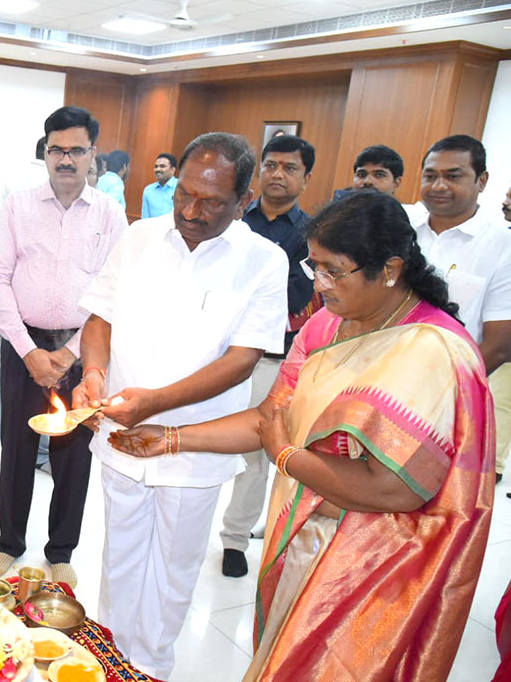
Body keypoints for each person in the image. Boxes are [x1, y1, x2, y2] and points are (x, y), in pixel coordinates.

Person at [109, 191, 494, 682]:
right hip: (308, 536)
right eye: (316, 267)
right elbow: (269, 418)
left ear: (390, 269)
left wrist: (288, 458)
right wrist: (169, 439)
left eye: (335, 271)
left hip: (379, 563)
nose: (321, 284)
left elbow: (396, 488)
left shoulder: (433, 350)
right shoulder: (326, 326)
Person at [74, 132, 288, 680]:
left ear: (244, 200)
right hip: (120, 429)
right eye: (184, 195)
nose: (192, 211)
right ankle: (107, 661)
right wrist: (94, 372)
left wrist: (155, 404)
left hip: (195, 443)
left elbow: (242, 360)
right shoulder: (140, 236)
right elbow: (100, 317)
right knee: (118, 555)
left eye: (212, 202)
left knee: (173, 569)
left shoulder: (265, 261)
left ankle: (150, 668)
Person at [0, 106, 127, 587]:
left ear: (92, 156)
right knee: (17, 447)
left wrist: (69, 355)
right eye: (57, 149)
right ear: (45, 152)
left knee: (74, 454)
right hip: (22, 343)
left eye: (77, 150)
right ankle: (10, 544)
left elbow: (113, 291)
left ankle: (61, 549)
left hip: (82, 351)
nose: (66, 159)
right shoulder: (18, 206)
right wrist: (27, 352)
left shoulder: (109, 214)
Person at [220, 134, 316, 578]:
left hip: (271, 360)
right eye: (271, 165)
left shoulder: (312, 234)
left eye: (290, 167)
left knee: (257, 451)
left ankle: (235, 539)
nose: (278, 174)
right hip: (218, 352)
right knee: (196, 434)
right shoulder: (234, 217)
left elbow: (296, 296)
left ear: (305, 177)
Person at [414, 135, 511, 485]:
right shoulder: (400, 231)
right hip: (380, 389)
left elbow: (500, 344)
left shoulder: (502, 249)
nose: (438, 186)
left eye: (453, 176)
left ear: (481, 181)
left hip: (452, 403)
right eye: (430, 175)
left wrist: (441, 394)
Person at [141, 152, 178, 219]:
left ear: (173, 170)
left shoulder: (180, 188)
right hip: (153, 229)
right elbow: (145, 218)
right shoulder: (148, 190)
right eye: (156, 166)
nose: (158, 169)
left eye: (162, 166)